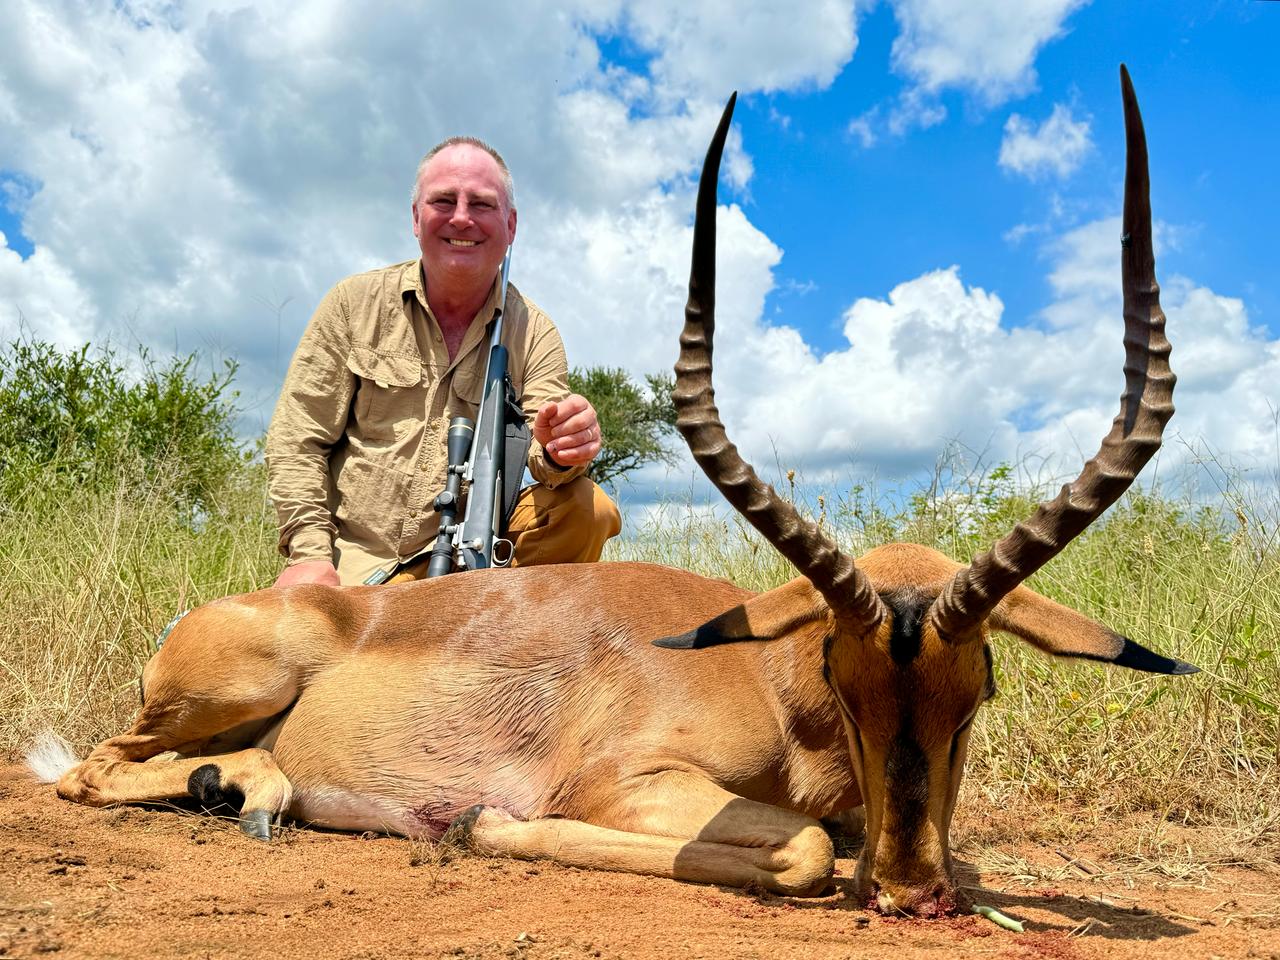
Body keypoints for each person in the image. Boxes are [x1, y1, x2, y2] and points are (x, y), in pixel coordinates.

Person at [265, 136, 621, 587]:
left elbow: (543, 456)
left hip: (471, 560)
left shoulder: (535, 332)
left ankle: (503, 620)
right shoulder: (352, 303)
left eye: (482, 204)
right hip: (359, 566)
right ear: (416, 217)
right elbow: (298, 440)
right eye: (444, 201)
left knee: (589, 508)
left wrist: (562, 447)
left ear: (511, 225)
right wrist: (309, 556)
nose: (462, 218)